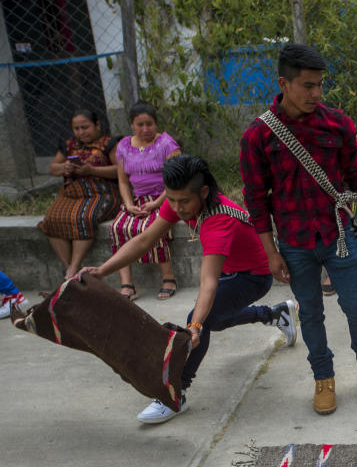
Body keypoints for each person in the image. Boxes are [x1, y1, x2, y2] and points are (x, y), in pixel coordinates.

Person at [78, 155, 297, 423]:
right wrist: (102, 270)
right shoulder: (181, 202)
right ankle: (276, 315)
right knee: (214, 319)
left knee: (202, 320)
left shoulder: (218, 222)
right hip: (233, 271)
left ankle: (175, 393)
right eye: (171, 199)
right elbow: (145, 239)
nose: (177, 208)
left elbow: (208, 282)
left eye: (183, 201)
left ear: (203, 192)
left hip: (253, 277)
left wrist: (194, 325)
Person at [240, 43, 357, 416]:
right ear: (284, 84)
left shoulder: (338, 123)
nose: (317, 93)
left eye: (320, 84)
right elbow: (256, 199)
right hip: (293, 242)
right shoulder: (258, 136)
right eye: (308, 85)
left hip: (338, 235)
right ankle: (323, 378)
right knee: (310, 314)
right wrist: (271, 253)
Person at [109, 101, 182, 300]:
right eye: (139, 124)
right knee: (118, 227)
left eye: (149, 124)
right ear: (132, 125)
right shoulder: (124, 146)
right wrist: (129, 204)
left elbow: (176, 179)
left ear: (156, 124)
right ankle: (127, 284)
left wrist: (156, 203)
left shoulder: (167, 144)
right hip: (137, 200)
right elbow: (123, 181)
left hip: (166, 196)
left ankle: (168, 277)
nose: (145, 129)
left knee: (153, 227)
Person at [39, 110, 120, 278]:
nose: (81, 132)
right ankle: (70, 269)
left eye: (85, 127)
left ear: (97, 125)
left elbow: (120, 170)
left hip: (103, 192)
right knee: (51, 220)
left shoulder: (110, 143)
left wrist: (91, 169)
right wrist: (64, 167)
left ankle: (73, 268)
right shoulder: (69, 145)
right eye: (77, 128)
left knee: (84, 217)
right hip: (72, 193)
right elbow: (53, 168)